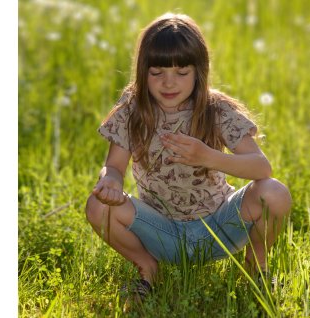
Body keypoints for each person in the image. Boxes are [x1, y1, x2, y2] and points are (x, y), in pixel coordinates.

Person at [85, 12, 292, 303]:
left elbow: (262, 167)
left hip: (218, 227)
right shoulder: (134, 110)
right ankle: (148, 269)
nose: (168, 83)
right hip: (161, 232)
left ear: (199, 71)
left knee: (274, 192)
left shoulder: (215, 108)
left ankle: (254, 269)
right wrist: (110, 181)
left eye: (181, 73)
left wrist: (208, 157)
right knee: (97, 206)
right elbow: (114, 166)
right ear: (143, 71)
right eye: (157, 73)